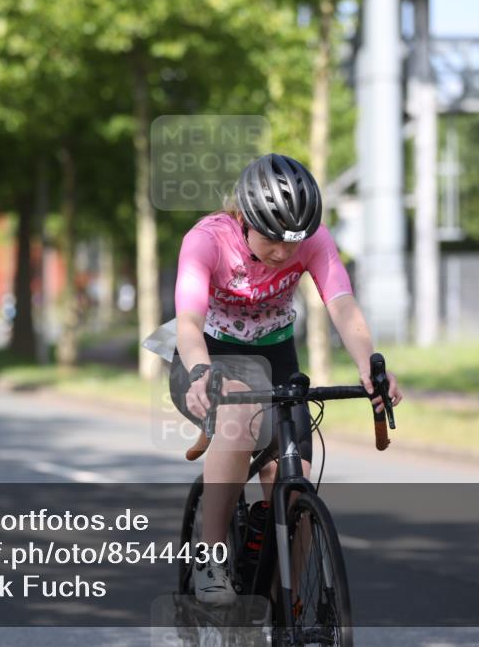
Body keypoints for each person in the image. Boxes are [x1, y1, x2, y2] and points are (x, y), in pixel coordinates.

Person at [169, 153, 402, 605]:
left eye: (293, 243)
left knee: (293, 480)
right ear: (244, 218)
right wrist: (200, 373)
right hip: (212, 351)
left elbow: (342, 305)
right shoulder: (206, 241)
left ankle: (286, 606)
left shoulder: (313, 240)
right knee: (238, 415)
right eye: (272, 240)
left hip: (275, 352)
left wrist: (368, 363)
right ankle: (210, 557)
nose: (283, 253)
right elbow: (187, 325)